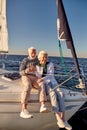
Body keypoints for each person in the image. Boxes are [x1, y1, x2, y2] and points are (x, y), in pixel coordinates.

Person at [36, 50, 72, 130]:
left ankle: (64, 119)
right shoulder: (37, 66)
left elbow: (50, 75)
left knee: (61, 94)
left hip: (53, 81)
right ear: (39, 58)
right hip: (45, 83)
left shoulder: (50, 64)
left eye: (45, 57)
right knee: (52, 94)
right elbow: (37, 76)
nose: (44, 58)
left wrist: (41, 78)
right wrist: (40, 79)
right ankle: (57, 117)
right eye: (43, 57)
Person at [19, 47, 48, 119]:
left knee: (42, 83)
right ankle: (23, 110)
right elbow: (20, 72)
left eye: (34, 52)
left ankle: (42, 105)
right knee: (28, 86)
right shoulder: (25, 60)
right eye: (32, 52)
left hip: (35, 77)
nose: (33, 54)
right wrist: (26, 70)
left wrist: (51, 66)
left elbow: (44, 66)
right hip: (26, 76)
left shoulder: (38, 60)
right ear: (28, 53)